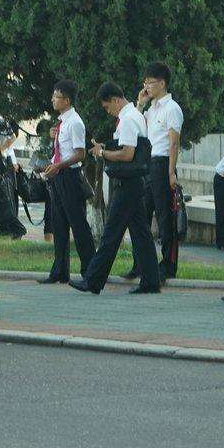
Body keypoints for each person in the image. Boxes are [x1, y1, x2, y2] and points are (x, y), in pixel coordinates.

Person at [71, 82, 162, 295]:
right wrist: (105, 147)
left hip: (128, 184)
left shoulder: (129, 118)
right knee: (141, 235)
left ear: (115, 99)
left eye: (106, 106)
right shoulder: (133, 115)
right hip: (134, 183)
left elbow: (127, 154)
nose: (108, 111)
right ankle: (151, 281)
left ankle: (93, 280)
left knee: (110, 234)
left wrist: (102, 154)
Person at [39, 80, 95, 284]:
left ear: (67, 100)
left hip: (70, 177)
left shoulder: (75, 122)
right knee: (59, 224)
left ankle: (90, 270)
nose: (53, 99)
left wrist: (59, 166)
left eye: (57, 96)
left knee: (78, 224)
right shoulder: (62, 121)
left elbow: (80, 154)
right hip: (58, 177)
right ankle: (60, 271)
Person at [138, 63, 183, 280]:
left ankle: (168, 265)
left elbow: (174, 143)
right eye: (145, 82)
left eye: (150, 82)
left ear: (162, 83)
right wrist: (140, 104)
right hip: (148, 165)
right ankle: (142, 262)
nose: (147, 86)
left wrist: (171, 172)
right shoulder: (150, 109)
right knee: (142, 215)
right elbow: (136, 129)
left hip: (163, 164)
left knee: (165, 217)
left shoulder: (172, 108)